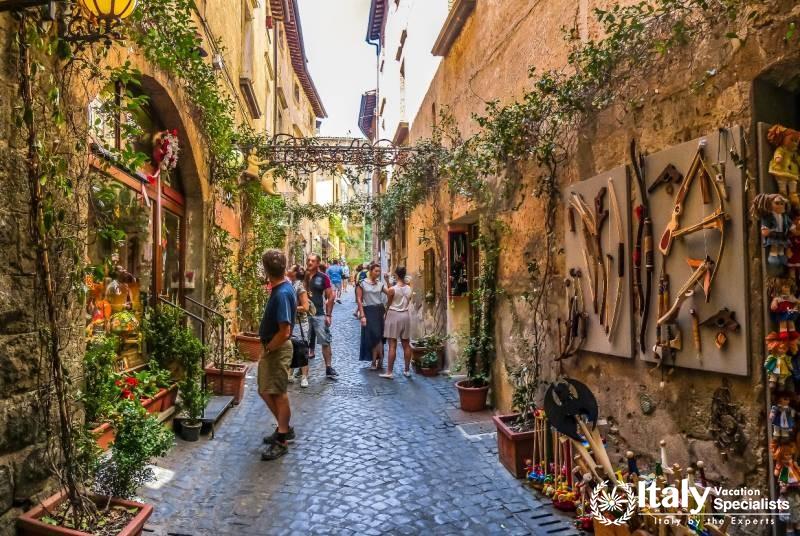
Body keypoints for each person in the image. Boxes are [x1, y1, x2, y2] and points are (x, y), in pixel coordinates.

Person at [258, 249, 297, 460]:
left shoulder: (282, 293)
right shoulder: (283, 287)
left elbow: (285, 331)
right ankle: (284, 428)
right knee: (266, 390)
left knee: (278, 393)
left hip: (277, 348)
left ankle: (282, 439)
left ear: (266, 269)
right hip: (274, 347)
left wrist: (269, 348)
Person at [305, 253, 338, 378]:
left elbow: (331, 296)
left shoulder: (323, 277)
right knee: (303, 342)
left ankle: (328, 367)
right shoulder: (304, 276)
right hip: (304, 315)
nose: (310, 262)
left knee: (325, 341)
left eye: (313, 261)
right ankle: (301, 368)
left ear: (318, 263)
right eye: (308, 260)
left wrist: (328, 315)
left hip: (319, 314)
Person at [380, 266, 414, 380]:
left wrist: (385, 314)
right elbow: (404, 298)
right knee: (406, 343)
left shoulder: (392, 289)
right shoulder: (409, 288)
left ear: (396, 275)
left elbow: (390, 301)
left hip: (393, 314)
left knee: (392, 344)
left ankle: (389, 372)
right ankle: (407, 370)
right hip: (405, 315)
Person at [356, 262, 386, 369]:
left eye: (379, 271)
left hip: (379, 310)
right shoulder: (362, 283)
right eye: (376, 271)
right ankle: (380, 358)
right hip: (368, 310)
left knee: (379, 336)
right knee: (373, 336)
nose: (378, 273)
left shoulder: (380, 284)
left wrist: (388, 282)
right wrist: (362, 315)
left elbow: (390, 293)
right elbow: (359, 300)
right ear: (370, 271)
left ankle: (375, 361)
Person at [288, 265, 311, 388]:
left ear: (295, 273)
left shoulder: (300, 287)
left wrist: (290, 308)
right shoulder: (291, 284)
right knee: (292, 348)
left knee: (302, 350)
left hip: (300, 324)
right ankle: (290, 374)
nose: (288, 270)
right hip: (292, 322)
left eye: (291, 269)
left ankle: (304, 377)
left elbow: (306, 307)